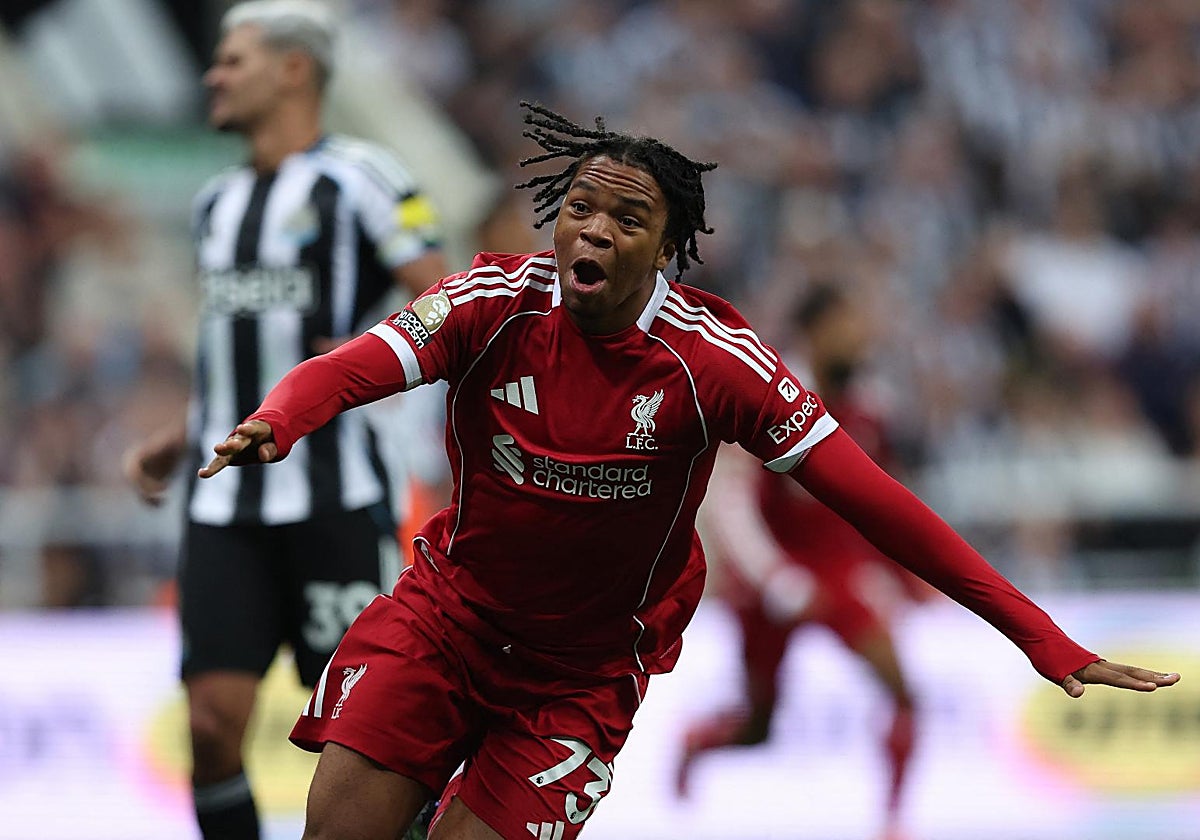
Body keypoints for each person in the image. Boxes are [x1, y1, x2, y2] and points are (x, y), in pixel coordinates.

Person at [197, 101, 1179, 840]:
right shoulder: (491, 301)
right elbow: (362, 362)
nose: (592, 229)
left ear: (667, 249)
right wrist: (283, 414)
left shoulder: (717, 364)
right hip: (443, 623)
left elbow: (881, 506)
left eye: (626, 218)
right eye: (579, 205)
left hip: (574, 683)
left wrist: (1038, 635)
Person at [121, 2, 447, 838]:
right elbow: (236, 348)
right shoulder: (214, 204)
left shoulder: (365, 177)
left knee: (372, 735)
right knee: (208, 726)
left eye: (233, 60)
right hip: (226, 505)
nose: (213, 75)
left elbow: (445, 297)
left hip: (335, 496)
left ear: (292, 70)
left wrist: (368, 355)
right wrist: (186, 431)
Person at [676, 283, 932, 839]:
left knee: (906, 693)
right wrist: (774, 577)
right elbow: (733, 499)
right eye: (848, 321)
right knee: (760, 727)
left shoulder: (869, 409)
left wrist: (908, 574)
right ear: (817, 331)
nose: (860, 334)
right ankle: (698, 742)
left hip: (837, 573)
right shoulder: (773, 394)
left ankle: (892, 822)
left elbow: (881, 500)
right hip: (776, 578)